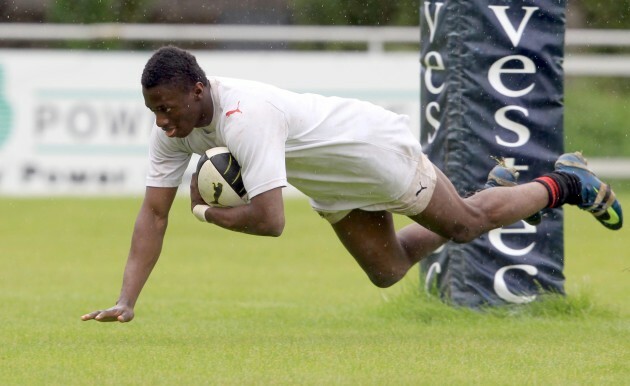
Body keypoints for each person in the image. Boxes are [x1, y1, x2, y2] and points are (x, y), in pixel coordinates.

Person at [82, 46, 623, 323]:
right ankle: (491, 187)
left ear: (199, 89)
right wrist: (127, 300)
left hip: (371, 152)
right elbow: (152, 214)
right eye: (153, 110)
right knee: (387, 271)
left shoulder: (246, 115)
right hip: (335, 184)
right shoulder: (175, 129)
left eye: (167, 107)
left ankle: (565, 181)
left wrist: (203, 212)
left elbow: (272, 222)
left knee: (466, 226)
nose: (161, 120)